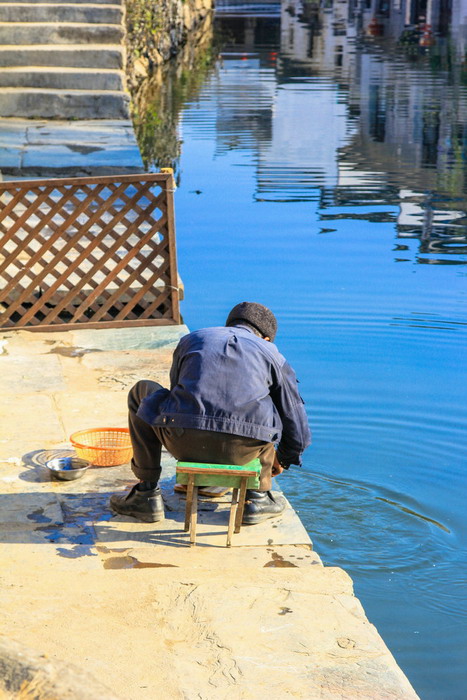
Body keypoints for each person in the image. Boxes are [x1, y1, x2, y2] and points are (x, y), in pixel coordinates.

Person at [110, 302, 311, 525]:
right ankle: (257, 499)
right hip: (242, 452)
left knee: (142, 391)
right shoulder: (272, 354)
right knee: (267, 407)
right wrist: (284, 457)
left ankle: (146, 494)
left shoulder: (193, 339)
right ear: (265, 339)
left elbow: (177, 394)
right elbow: (297, 426)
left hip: (182, 443)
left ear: (230, 325)